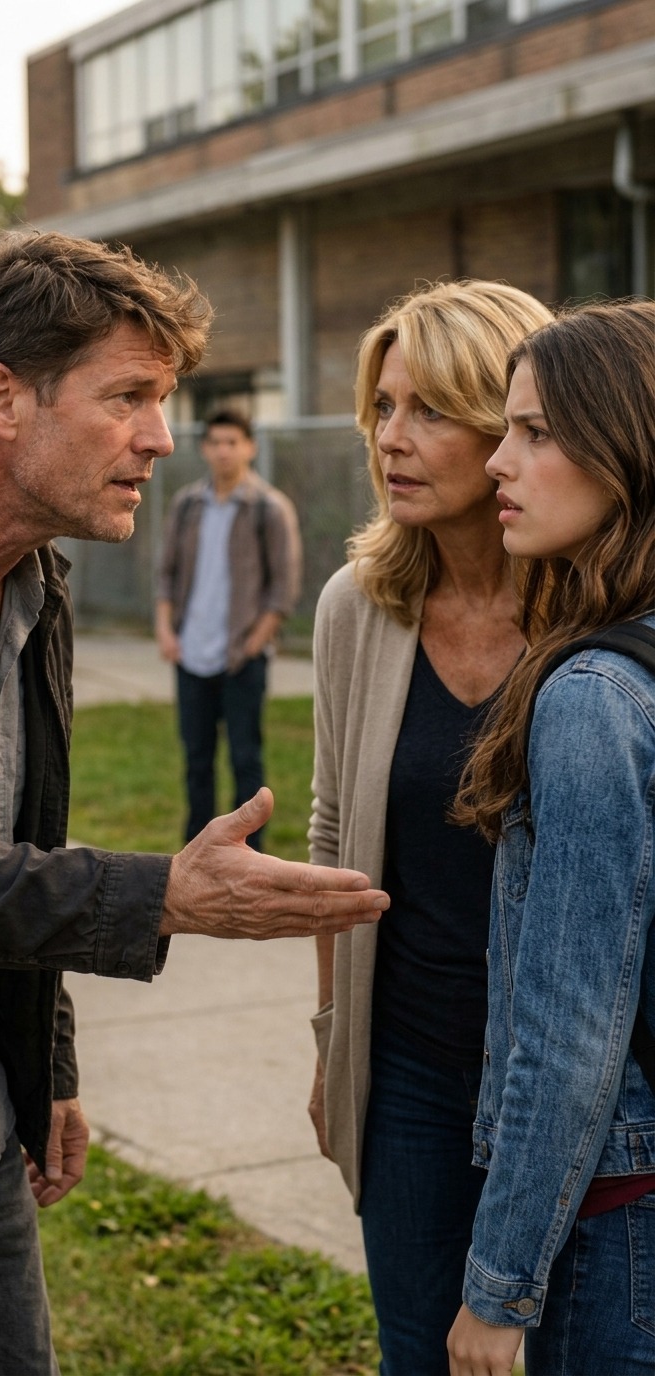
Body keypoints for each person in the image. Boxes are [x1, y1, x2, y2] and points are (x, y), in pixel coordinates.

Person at [0, 228, 389, 1376]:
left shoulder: (36, 580)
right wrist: (164, 892)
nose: (162, 436)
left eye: (164, 401)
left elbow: (12, 836)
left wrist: (46, 1057)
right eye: (128, 398)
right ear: (1, 397)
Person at [306, 279, 553, 1375]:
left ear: (515, 428)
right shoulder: (357, 606)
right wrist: (334, 1041)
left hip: (565, 1081)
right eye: (382, 407)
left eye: (431, 410)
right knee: (419, 1351)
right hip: (407, 1059)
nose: (390, 439)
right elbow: (333, 836)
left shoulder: (597, 609)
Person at [448, 300, 655, 1376]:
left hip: (621, 1224)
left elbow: (573, 1028)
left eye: (536, 432)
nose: (498, 461)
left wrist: (499, 1286)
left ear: (627, 453)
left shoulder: (596, 695)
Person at [156, 408, 302, 850]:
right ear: (204, 448)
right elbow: (166, 573)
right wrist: (166, 631)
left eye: (232, 442)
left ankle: (249, 854)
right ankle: (196, 855)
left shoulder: (269, 508)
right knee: (196, 763)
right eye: (216, 442)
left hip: (242, 658)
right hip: (191, 655)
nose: (223, 451)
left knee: (245, 760)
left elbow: (284, 587)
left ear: (250, 447)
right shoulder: (187, 506)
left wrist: (255, 641)